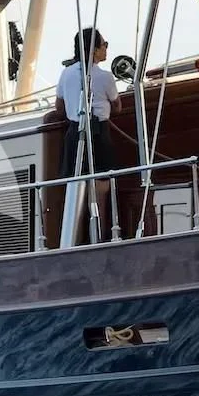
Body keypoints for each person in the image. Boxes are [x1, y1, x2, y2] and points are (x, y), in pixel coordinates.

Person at [54, 28, 118, 242]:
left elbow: (59, 107)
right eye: (104, 44)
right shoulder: (105, 77)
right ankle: (98, 237)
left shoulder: (66, 73)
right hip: (100, 132)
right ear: (94, 50)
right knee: (101, 186)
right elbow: (117, 106)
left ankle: (75, 238)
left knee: (75, 187)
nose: (106, 48)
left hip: (74, 132)